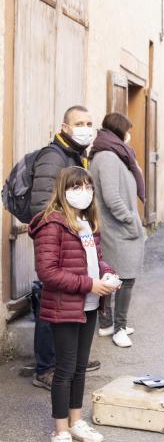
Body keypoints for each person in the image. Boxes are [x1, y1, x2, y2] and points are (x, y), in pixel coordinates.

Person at [29, 167, 116, 442]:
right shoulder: (51, 224)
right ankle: (60, 429)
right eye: (77, 187)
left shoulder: (86, 222)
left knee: (79, 367)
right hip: (64, 305)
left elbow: (95, 259)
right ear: (63, 190)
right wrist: (89, 284)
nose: (84, 193)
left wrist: (107, 274)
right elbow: (48, 272)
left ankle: (76, 422)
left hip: (89, 303)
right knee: (64, 370)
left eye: (88, 187)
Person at [30, 106, 101, 390]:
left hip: (72, 236)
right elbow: (41, 204)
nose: (85, 128)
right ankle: (46, 368)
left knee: (67, 305)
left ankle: (67, 360)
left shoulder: (75, 154)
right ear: (65, 127)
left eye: (89, 123)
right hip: (57, 240)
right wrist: (55, 232)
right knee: (51, 306)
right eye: (79, 123)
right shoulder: (53, 156)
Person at [89, 113, 146, 348]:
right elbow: (112, 198)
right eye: (128, 130)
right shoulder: (109, 157)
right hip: (118, 227)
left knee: (112, 276)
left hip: (114, 226)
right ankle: (118, 328)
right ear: (121, 130)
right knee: (126, 277)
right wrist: (131, 220)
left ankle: (107, 324)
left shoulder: (109, 153)